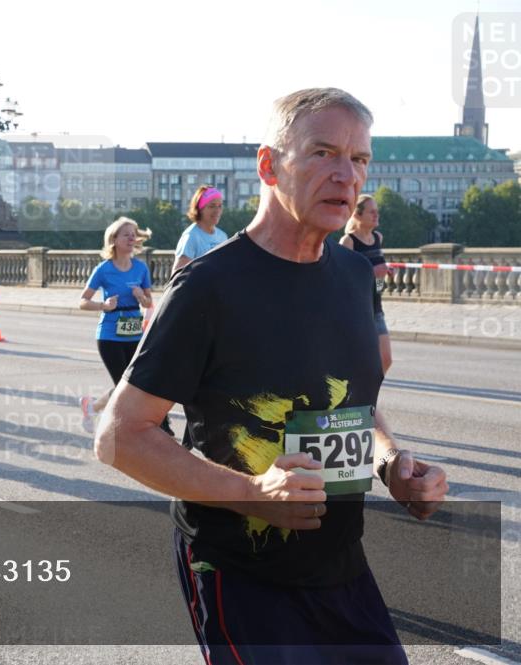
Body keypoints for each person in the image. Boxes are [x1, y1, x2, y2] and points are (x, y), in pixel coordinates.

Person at [95, 88, 448, 665]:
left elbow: (356, 401)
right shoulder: (210, 286)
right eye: (322, 153)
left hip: (341, 565)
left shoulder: (357, 277)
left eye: (359, 160)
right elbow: (119, 436)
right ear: (268, 165)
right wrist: (252, 494)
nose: (346, 175)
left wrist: (392, 464)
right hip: (239, 570)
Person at [78, 217, 171, 435]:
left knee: (134, 384)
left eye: (133, 234)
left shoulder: (140, 268)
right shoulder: (104, 269)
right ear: (114, 240)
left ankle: (92, 407)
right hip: (109, 335)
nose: (131, 238)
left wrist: (142, 298)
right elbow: (83, 301)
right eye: (126, 234)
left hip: (134, 334)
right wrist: (103, 305)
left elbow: (149, 303)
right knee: (124, 387)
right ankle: (122, 429)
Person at [341, 194, 392, 374]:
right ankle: (355, 397)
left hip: (376, 308)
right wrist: (372, 274)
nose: (376, 216)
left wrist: (382, 277)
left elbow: (378, 287)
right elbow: (345, 282)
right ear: (357, 215)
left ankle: (368, 394)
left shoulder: (378, 237)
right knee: (358, 361)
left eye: (377, 212)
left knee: (386, 359)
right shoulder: (348, 242)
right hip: (357, 310)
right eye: (372, 212)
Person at [170, 185, 228, 276]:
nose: (217, 210)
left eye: (220, 206)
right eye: (212, 206)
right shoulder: (190, 237)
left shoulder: (223, 236)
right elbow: (177, 276)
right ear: (200, 209)